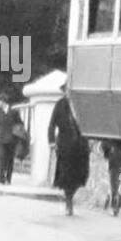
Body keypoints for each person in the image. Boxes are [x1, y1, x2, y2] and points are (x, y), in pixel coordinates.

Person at [48, 87, 91, 216]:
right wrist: (51, 141)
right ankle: (68, 200)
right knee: (66, 175)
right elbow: (51, 124)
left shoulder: (83, 103)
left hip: (81, 145)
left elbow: (89, 122)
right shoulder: (60, 104)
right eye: (67, 90)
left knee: (80, 175)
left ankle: (71, 193)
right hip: (65, 145)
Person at [102, 140, 121, 216]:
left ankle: (113, 205)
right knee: (116, 184)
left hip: (115, 159)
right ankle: (114, 206)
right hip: (120, 159)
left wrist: (107, 153)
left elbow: (104, 145)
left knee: (115, 184)